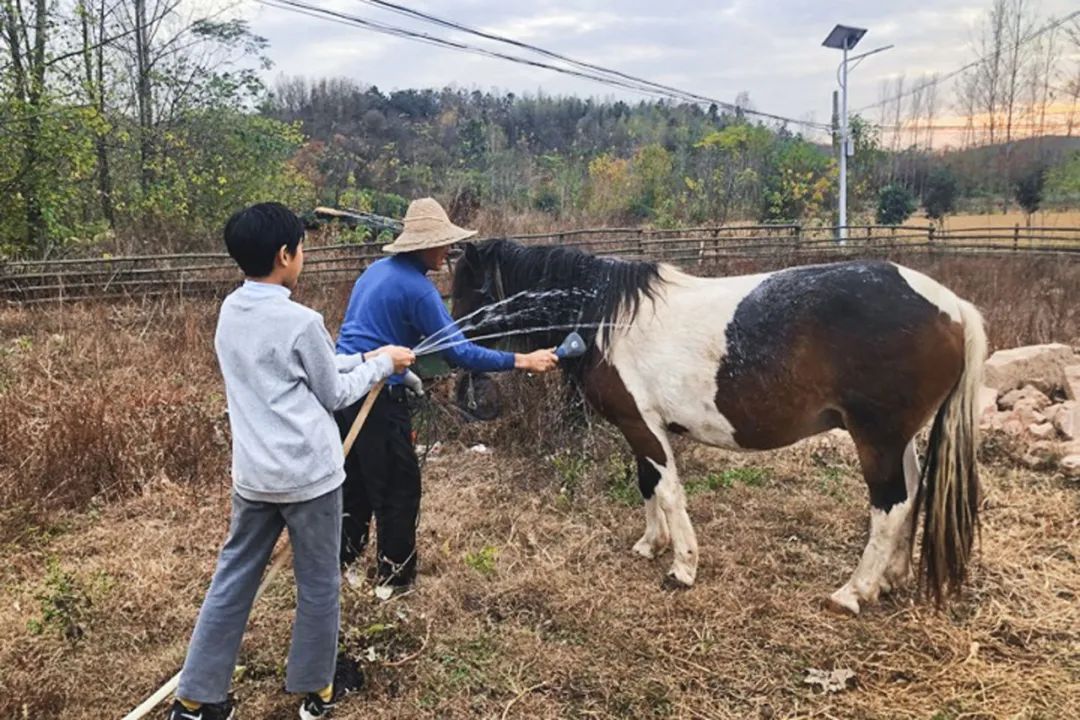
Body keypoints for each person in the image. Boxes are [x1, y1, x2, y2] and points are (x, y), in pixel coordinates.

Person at [166, 203, 415, 720]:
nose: (304, 254)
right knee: (319, 584)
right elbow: (334, 392)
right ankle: (317, 690)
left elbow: (306, 367)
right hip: (309, 481)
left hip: (254, 479)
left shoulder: (231, 311)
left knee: (232, 580)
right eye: (302, 247)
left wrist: (367, 356)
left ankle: (195, 698)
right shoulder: (303, 321)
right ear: (285, 255)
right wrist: (384, 366)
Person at [335, 197, 557, 591]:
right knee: (398, 489)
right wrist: (523, 360)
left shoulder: (375, 272)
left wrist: (409, 377)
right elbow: (460, 352)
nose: (447, 251)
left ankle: (343, 565)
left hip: (346, 389)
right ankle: (394, 582)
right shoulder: (418, 290)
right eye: (441, 243)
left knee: (357, 484)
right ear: (421, 245)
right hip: (376, 398)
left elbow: (366, 335)